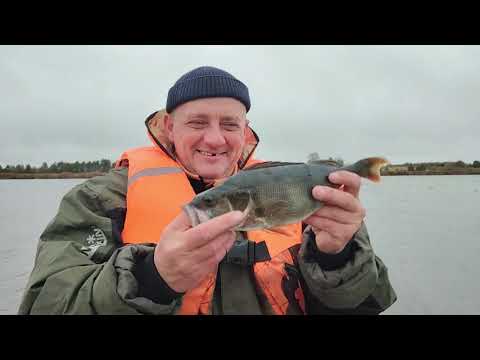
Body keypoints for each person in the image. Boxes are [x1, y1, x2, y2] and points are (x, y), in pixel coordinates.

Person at [18, 66, 396, 315]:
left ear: (245, 132)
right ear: (168, 126)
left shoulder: (301, 190)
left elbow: (365, 305)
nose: (214, 139)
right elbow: (44, 304)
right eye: (197, 122)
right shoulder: (100, 199)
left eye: (230, 125)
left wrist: (337, 256)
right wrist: (151, 277)